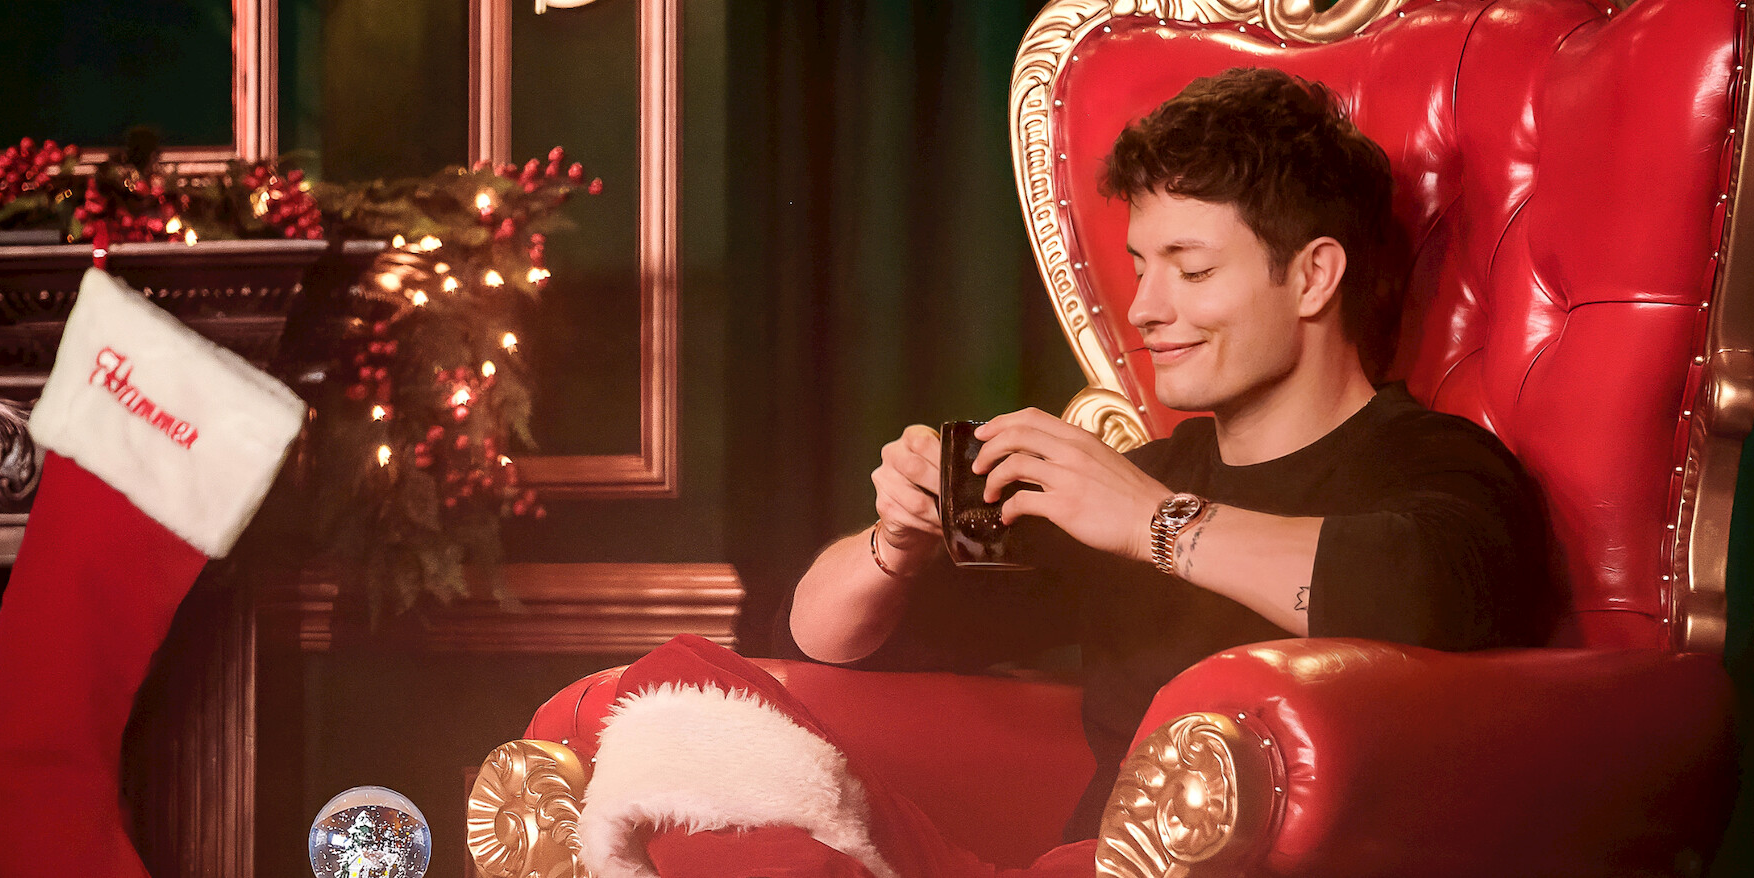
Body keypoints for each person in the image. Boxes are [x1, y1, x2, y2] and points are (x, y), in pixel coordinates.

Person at [578, 67, 1555, 878]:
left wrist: (1152, 523)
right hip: (1061, 863)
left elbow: (1426, 598)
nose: (1147, 308)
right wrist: (895, 540)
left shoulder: (1439, 466)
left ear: (1313, 276)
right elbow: (822, 641)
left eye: (1191, 269)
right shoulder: (1128, 483)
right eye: (1140, 264)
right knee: (677, 687)